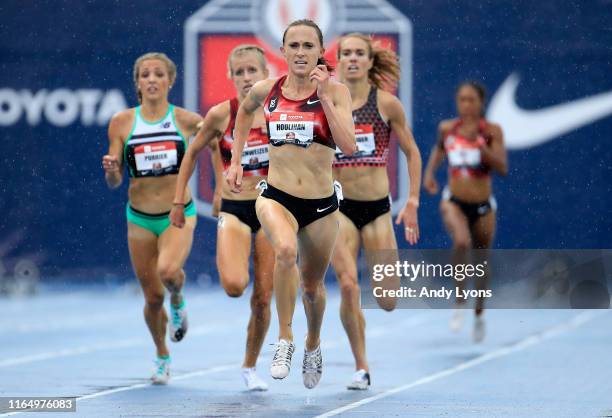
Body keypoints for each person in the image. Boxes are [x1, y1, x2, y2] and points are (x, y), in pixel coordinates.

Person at [226, 19, 357, 389]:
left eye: (307, 46)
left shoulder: (338, 93)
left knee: (313, 288)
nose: (300, 53)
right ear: (282, 52)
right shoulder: (267, 90)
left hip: (320, 204)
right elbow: (243, 112)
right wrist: (236, 161)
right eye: (293, 46)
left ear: (320, 52)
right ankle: (284, 339)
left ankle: (313, 342)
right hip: (276, 196)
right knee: (284, 250)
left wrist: (325, 97)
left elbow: (347, 146)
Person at [170, 45, 274, 391]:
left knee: (262, 297)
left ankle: (249, 366)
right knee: (234, 286)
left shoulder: (283, 112)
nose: (247, 78)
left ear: (265, 74)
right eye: (240, 72)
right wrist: (177, 199)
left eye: (252, 71)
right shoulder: (220, 114)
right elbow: (191, 154)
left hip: (275, 210)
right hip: (236, 208)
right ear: (230, 76)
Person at [102, 52, 203, 384]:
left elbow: (219, 142)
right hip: (140, 218)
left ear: (170, 81)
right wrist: (113, 172)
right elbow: (115, 181)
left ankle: (178, 298)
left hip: (178, 213)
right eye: (145, 75)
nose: (152, 80)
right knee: (151, 297)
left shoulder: (187, 121)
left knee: (169, 272)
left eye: (159, 74)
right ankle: (162, 355)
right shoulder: (121, 122)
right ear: (138, 83)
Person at [332, 33, 422, 390]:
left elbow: (412, 152)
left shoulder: (386, 104)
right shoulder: (327, 104)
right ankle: (361, 365)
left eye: (359, 53)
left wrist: (412, 201)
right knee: (348, 284)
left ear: (370, 61)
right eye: (346, 53)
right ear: (337, 60)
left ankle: (362, 359)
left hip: (377, 210)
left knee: (386, 300)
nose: (352, 58)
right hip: (337, 209)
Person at [423, 81, 507, 342]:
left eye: (472, 100)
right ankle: (460, 299)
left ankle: (479, 312)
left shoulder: (492, 131)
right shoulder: (448, 128)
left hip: (482, 206)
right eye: (462, 99)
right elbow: (438, 150)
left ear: (481, 103)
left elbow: (502, 167)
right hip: (454, 200)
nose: (466, 105)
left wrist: (481, 148)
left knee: (481, 262)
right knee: (461, 241)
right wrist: (429, 174)